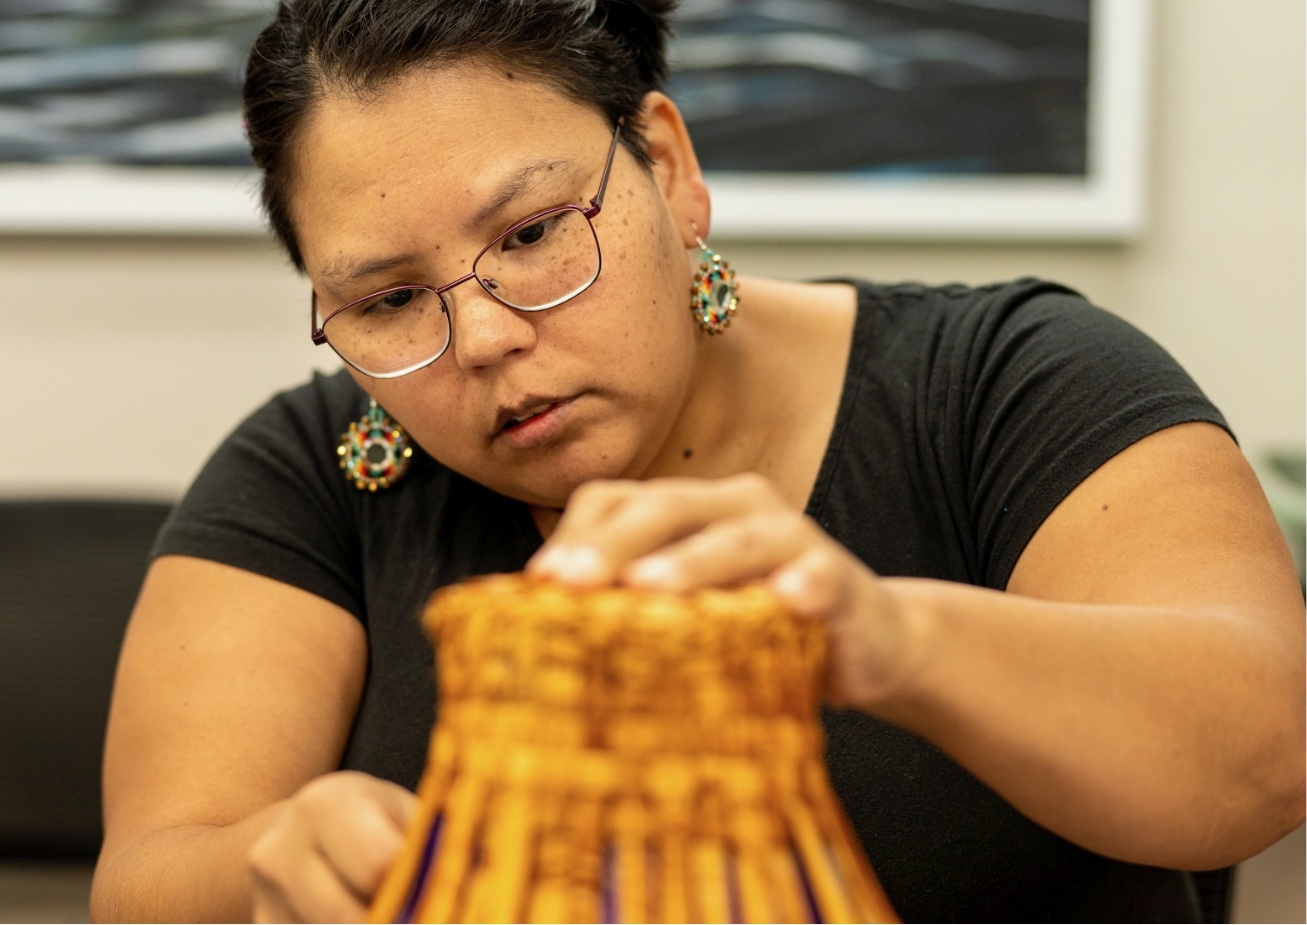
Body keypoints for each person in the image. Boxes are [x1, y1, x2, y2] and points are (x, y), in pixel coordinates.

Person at [90, 1, 1304, 921]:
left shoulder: (1001, 380)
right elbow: (145, 877)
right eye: (388, 299)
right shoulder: (314, 473)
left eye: (529, 233)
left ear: (667, 171)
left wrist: (890, 637)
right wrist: (267, 866)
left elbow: (1263, 752)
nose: (484, 335)